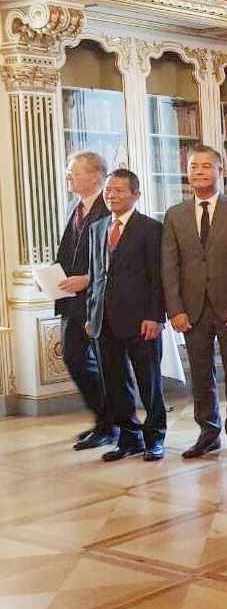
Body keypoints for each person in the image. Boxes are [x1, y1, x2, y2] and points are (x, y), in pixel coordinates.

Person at [162, 145, 227, 459]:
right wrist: (175, 309)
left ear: (220, 171)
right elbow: (169, 266)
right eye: (193, 166)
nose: (199, 171)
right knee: (201, 374)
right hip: (191, 309)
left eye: (206, 166)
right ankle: (208, 432)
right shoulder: (175, 215)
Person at [85, 169, 166, 462]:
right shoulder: (97, 228)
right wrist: (90, 314)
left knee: (149, 383)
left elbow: (158, 277)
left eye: (119, 190)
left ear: (136, 195)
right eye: (108, 190)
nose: (111, 195)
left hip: (141, 321)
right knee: (115, 384)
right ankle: (129, 439)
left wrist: (155, 317)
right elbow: (95, 275)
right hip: (103, 320)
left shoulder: (150, 229)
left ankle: (154, 438)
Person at [56, 151, 113, 450]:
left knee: (106, 364)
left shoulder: (109, 206)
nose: (68, 176)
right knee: (74, 359)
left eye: (73, 172)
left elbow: (116, 257)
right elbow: (69, 250)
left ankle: (111, 424)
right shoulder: (73, 207)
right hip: (71, 300)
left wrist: (88, 279)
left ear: (95, 177)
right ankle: (102, 418)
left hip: (100, 300)